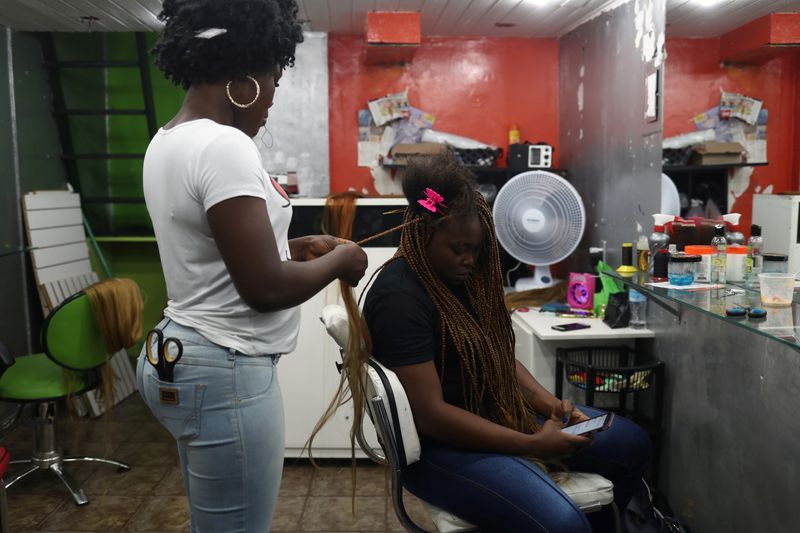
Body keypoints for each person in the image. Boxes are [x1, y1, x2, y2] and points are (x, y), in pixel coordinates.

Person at [136, 1, 368, 531]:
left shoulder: (168, 138)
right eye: (273, 80)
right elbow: (262, 287)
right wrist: (341, 259)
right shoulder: (224, 145)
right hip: (226, 371)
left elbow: (210, 253)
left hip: (177, 350)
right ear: (243, 78)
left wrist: (296, 246)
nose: (271, 98)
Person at [362, 152, 651, 532]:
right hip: (439, 449)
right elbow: (430, 415)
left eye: (476, 249)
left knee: (630, 442)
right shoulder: (400, 298)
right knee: (563, 523)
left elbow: (496, 357)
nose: (469, 260)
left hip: (491, 416)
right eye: (458, 249)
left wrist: (549, 404)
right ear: (422, 234)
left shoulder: (463, 281)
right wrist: (531, 445)